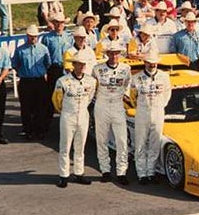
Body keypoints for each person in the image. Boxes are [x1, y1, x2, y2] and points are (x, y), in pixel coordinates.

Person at [52, 48, 97, 188]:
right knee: (65, 146)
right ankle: (63, 175)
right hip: (68, 115)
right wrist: (65, 110)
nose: (81, 66)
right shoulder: (63, 81)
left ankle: (79, 173)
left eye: (83, 64)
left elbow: (90, 97)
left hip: (83, 115)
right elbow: (56, 101)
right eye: (78, 63)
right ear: (74, 64)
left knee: (80, 146)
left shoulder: (91, 81)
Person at [129, 46, 171, 185]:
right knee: (140, 143)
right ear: (145, 63)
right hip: (142, 112)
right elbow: (132, 97)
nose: (152, 64)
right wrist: (141, 107)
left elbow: (167, 94)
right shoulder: (136, 78)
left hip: (158, 112)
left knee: (155, 143)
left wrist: (159, 106)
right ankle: (142, 173)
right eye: (149, 62)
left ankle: (151, 172)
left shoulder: (164, 77)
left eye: (154, 62)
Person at [92, 39, 131, 184]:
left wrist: (125, 96)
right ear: (107, 54)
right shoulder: (97, 68)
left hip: (117, 105)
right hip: (101, 105)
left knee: (121, 140)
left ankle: (121, 172)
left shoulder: (125, 69)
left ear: (120, 54)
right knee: (101, 139)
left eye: (116, 53)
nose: (114, 56)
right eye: (111, 53)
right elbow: (92, 86)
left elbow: (128, 85)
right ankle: (105, 170)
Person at [12, 24, 51, 140]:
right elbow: (15, 64)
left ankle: (40, 130)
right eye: (31, 36)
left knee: (40, 107)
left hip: (39, 80)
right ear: (27, 36)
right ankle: (28, 130)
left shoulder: (43, 49)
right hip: (26, 81)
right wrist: (23, 72)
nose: (33, 38)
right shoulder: (20, 50)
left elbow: (47, 63)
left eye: (35, 36)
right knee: (26, 107)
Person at [41, 16, 73, 119]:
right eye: (57, 23)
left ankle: (66, 119)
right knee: (51, 95)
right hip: (53, 68)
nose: (59, 25)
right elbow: (44, 56)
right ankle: (47, 122)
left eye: (61, 23)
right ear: (53, 24)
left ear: (64, 24)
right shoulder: (47, 38)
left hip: (67, 69)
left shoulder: (69, 37)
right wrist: (45, 71)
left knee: (67, 94)